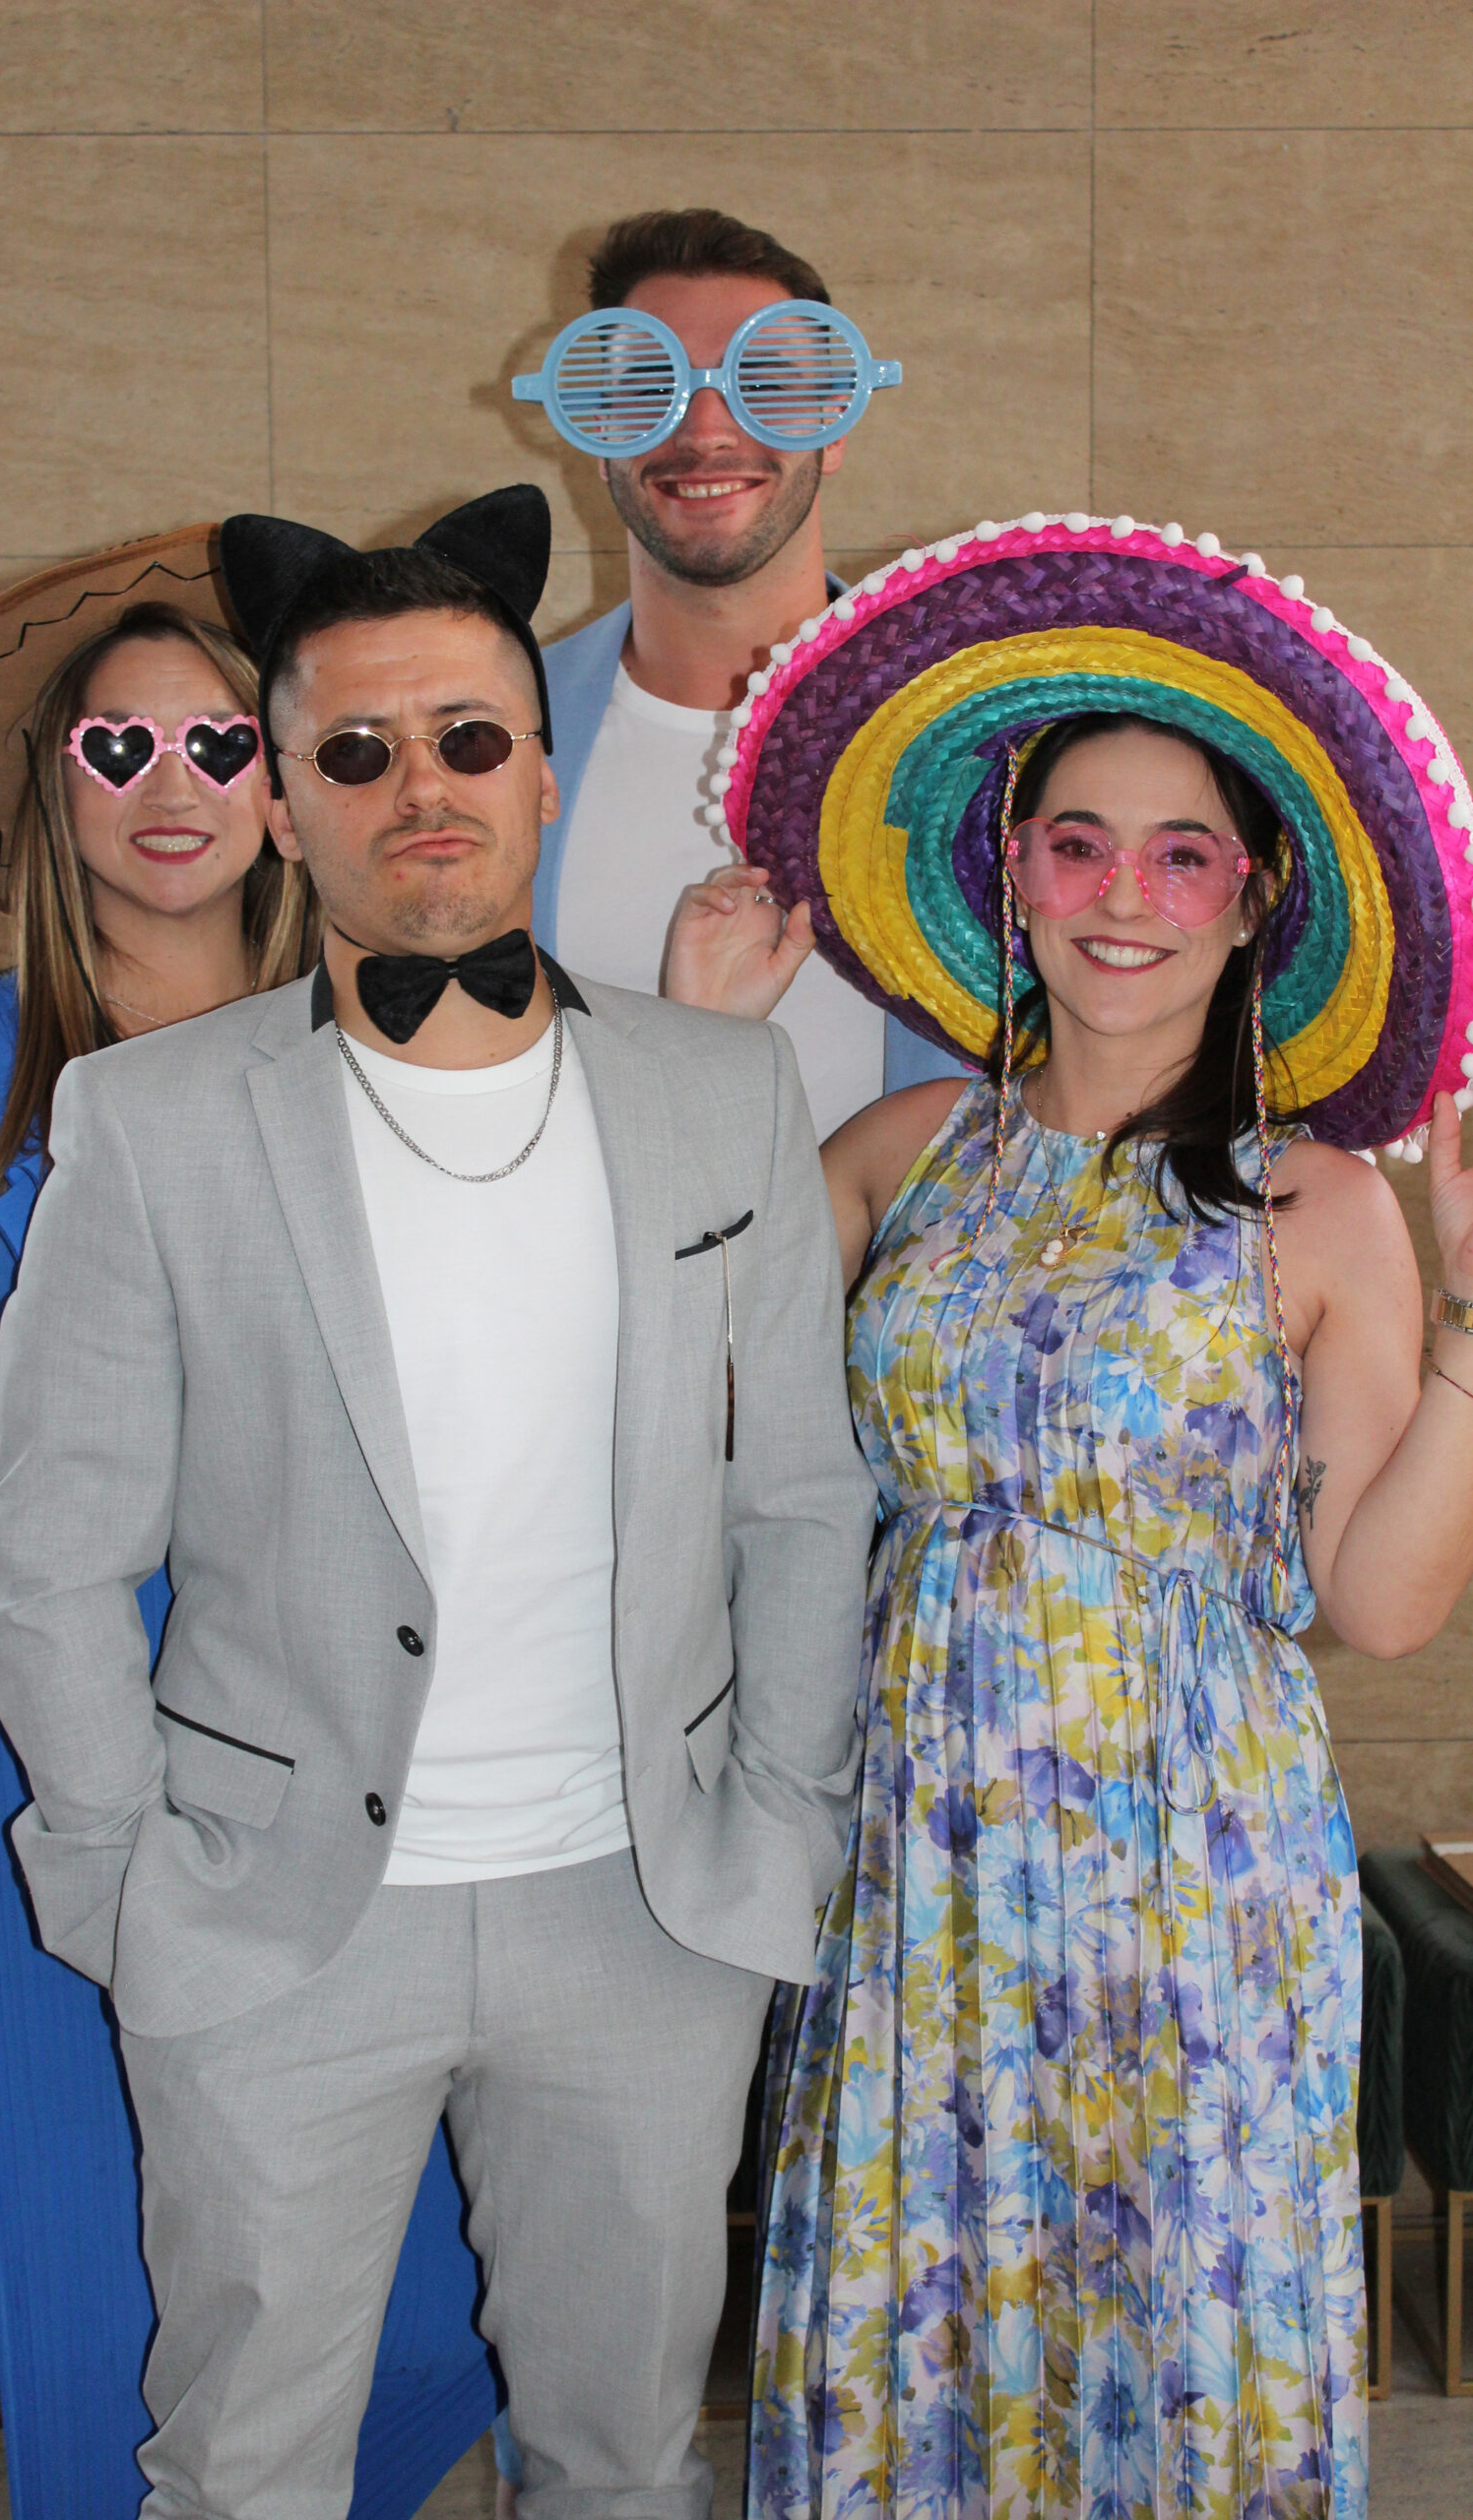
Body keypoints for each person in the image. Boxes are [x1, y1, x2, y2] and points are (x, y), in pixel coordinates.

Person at [0, 484, 876, 2520]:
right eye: (356, 752)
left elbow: (800, 1503)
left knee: (623, 2464)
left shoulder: (720, 1092)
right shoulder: (148, 1118)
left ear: (542, 770)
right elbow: (53, 1554)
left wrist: (783, 1821)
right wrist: (121, 1875)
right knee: (241, 2471)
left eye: (469, 737)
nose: (422, 789)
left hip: (645, 1910)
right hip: (273, 1924)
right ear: (286, 807)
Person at [667, 513, 1473, 2517]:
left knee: (1166, 2331)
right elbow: (677, 1380)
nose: (1124, 894)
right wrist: (696, 1055)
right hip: (922, 1858)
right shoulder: (898, 1149)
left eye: (1181, 852)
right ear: (1006, 869)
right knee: (924, 2320)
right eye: (1078, 841)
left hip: (1194, 1879)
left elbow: (1377, 1604)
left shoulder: (1319, 1204)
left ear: (1252, 897)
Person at [0, 533, 495, 2520]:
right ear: (57, 787)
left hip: (352, 1699)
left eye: (219, 741)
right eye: (119, 745)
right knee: (110, 2212)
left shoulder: (396, 1047)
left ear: (286, 784)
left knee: (413, 2248)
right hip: (57, 1710)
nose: (171, 783)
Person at [518, 204, 955, 1137]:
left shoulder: (963, 728)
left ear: (837, 423)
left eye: (765, 383)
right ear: (594, 430)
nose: (706, 426)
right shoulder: (499, 735)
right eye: (649, 385)